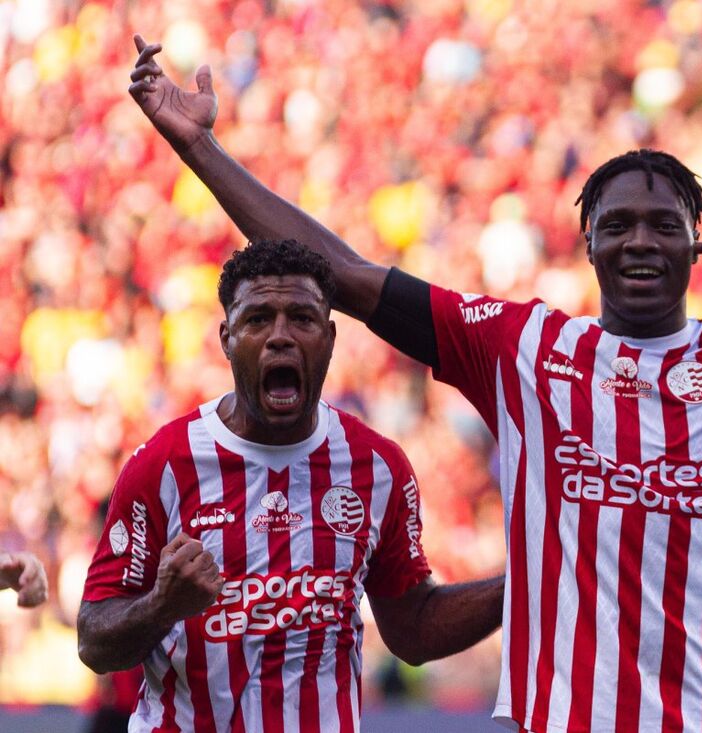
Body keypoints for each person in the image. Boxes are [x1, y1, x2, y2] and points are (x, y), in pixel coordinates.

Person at [126, 37, 702, 732]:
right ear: (588, 247)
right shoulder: (524, 348)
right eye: (615, 224)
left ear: (699, 244)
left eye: (664, 224)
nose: (640, 241)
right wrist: (200, 146)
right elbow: (343, 272)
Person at [78, 239, 505, 732]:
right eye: (257, 319)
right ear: (226, 337)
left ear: (329, 336)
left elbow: (412, 629)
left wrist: (523, 586)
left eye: (301, 318)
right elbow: (94, 643)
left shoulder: (377, 466)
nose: (280, 336)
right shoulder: (164, 465)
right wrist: (161, 607)